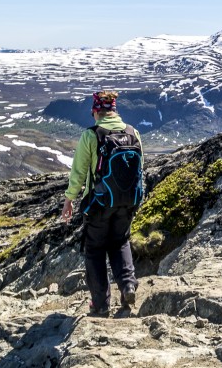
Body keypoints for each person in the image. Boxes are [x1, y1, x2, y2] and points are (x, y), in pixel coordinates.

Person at [61, 91, 142, 317]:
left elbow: (78, 173)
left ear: (96, 111)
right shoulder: (132, 132)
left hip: (99, 204)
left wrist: (69, 201)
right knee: (120, 242)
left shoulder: (92, 135)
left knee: (95, 250)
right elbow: (139, 171)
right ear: (115, 110)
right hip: (127, 203)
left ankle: (100, 304)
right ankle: (127, 287)